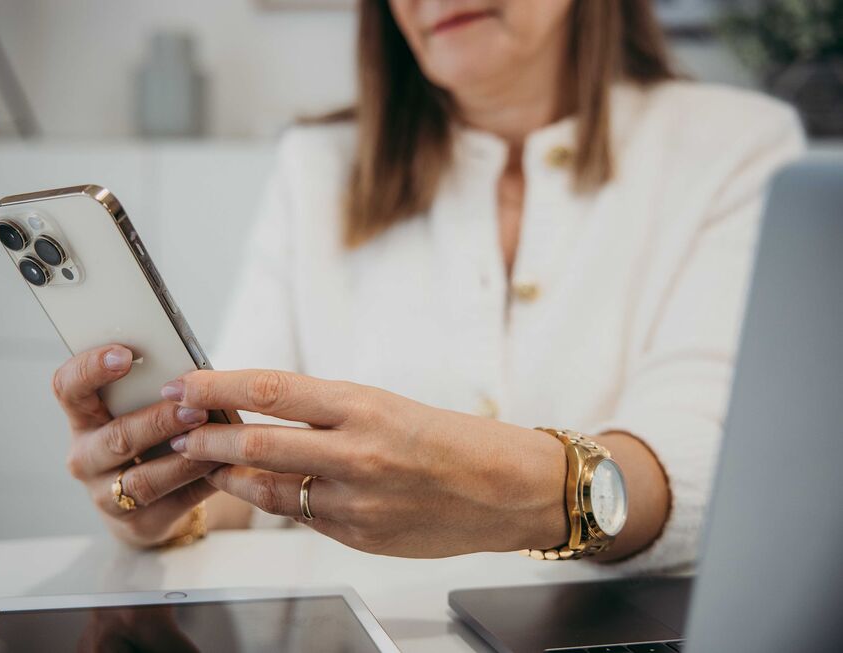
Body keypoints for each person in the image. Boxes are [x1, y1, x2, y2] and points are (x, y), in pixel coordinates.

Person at [52, 0, 803, 568]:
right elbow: (242, 469)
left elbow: (709, 449)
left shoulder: (735, 147)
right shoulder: (317, 164)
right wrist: (158, 505)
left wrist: (516, 489)